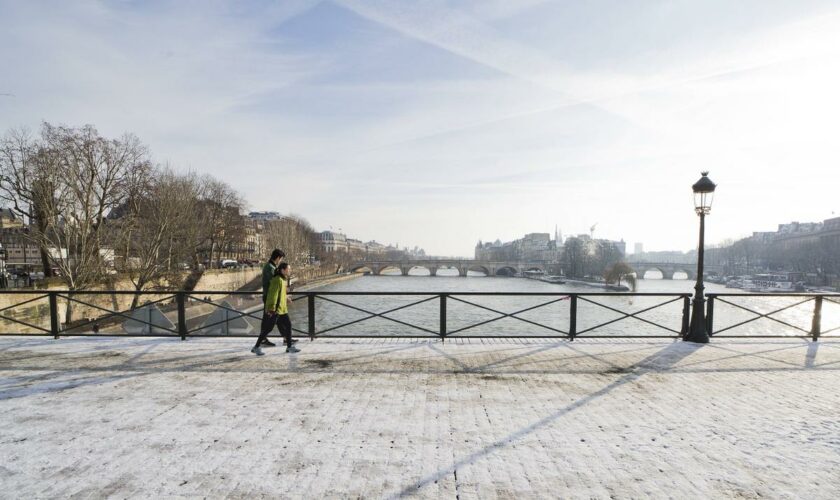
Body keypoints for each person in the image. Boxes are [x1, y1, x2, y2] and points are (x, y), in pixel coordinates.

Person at [252, 263, 299, 356]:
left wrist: (286, 298)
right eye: (288, 269)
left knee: (288, 326)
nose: (289, 271)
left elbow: (280, 294)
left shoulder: (282, 279)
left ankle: (289, 347)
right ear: (282, 270)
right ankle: (256, 347)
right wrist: (271, 308)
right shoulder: (277, 280)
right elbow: (272, 295)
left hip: (282, 309)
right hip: (276, 309)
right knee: (268, 329)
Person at [259, 249, 285, 347]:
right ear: (278, 258)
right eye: (281, 259)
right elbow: (274, 283)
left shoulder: (270, 266)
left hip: (270, 297)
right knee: (269, 319)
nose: (280, 261)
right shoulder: (270, 268)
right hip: (270, 297)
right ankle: (262, 339)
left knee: (278, 318)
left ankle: (285, 337)